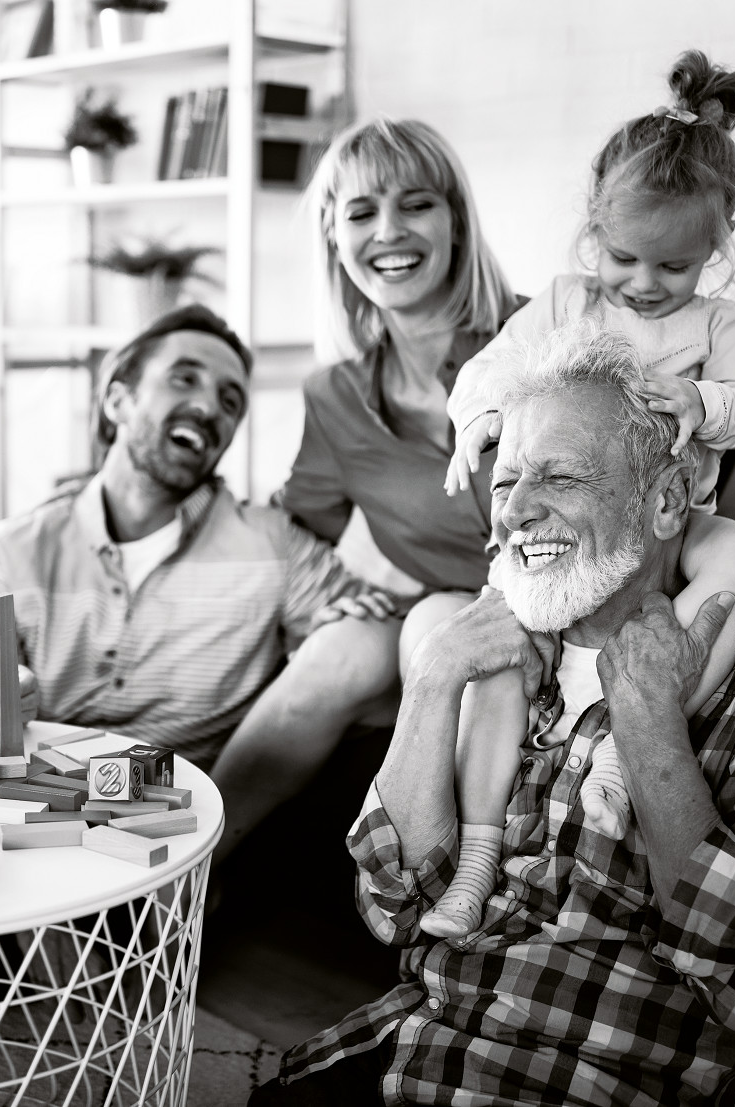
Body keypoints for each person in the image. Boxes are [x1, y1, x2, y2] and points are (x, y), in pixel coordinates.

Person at [252, 319, 735, 1106]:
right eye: (506, 482)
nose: (515, 512)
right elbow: (392, 907)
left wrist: (647, 720)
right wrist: (436, 675)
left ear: (667, 500)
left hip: (604, 1080)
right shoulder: (497, 650)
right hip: (421, 1051)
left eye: (561, 478)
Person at [423, 50, 735, 936]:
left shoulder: (718, 323)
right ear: (592, 234)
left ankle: (635, 737)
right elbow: (487, 371)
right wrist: (477, 425)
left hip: (674, 518)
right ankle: (473, 861)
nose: (645, 285)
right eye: (624, 258)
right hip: (573, 537)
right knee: (501, 656)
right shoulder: (565, 302)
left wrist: (701, 400)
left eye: (674, 266)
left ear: (717, 242)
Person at [208, 117, 521, 867]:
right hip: (442, 607)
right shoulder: (335, 396)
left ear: (454, 220)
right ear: (333, 238)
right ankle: (183, 885)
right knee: (337, 651)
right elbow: (294, 525)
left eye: (415, 204)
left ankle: (440, 898)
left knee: (436, 631)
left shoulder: (541, 337)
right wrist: (320, 600)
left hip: (553, 602)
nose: (388, 231)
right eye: (359, 212)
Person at [0, 304, 359, 771]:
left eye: (230, 402)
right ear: (117, 401)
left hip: (196, 825)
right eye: (183, 379)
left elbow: (365, 649)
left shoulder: (277, 547)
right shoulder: (1, 556)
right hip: (31, 817)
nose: (208, 408)